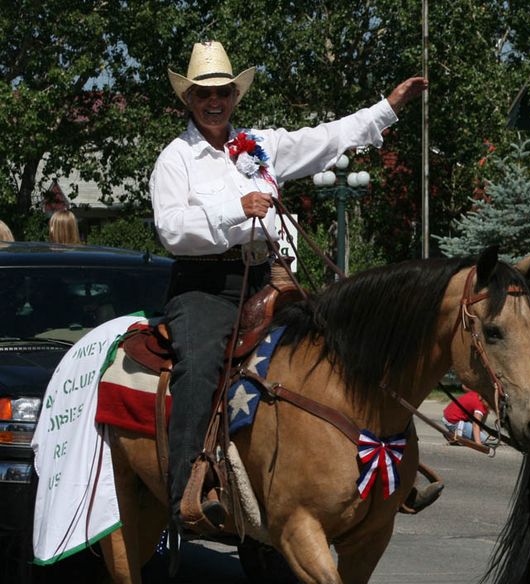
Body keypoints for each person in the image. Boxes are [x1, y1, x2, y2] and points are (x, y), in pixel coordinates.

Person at [150, 40, 428, 532]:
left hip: (264, 278)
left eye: (223, 93)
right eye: (203, 94)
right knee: (198, 369)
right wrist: (237, 208)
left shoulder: (259, 147)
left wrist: (387, 108)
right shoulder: (176, 159)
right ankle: (185, 495)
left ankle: (378, 465)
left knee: (331, 349)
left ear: (236, 96)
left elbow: (325, 138)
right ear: (188, 99)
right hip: (204, 286)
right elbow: (172, 229)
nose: (214, 102)